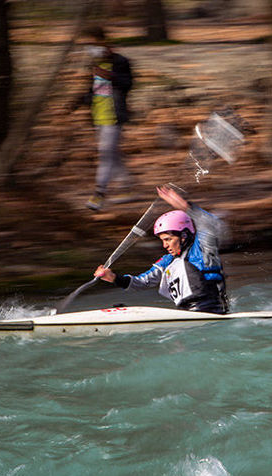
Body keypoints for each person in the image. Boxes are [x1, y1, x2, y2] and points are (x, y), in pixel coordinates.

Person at [94, 185, 229, 314]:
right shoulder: (167, 261)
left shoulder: (202, 250)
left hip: (212, 311)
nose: (165, 246)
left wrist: (186, 207)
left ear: (184, 236)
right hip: (186, 314)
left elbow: (210, 224)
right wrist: (113, 278)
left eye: (168, 239)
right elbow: (142, 282)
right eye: (163, 241)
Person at [70, 26, 134, 212]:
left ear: (103, 42)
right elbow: (94, 90)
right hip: (98, 116)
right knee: (112, 153)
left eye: (93, 43)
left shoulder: (120, 62)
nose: (90, 48)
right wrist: (77, 102)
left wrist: (110, 76)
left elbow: (128, 84)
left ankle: (99, 194)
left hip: (114, 116)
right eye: (88, 45)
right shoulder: (95, 64)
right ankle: (127, 187)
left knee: (105, 154)